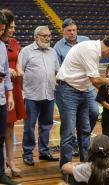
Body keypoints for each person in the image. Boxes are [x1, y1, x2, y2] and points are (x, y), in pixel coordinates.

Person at [55, 32, 109, 170]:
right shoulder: (91, 50)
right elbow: (96, 80)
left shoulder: (92, 48)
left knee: (85, 130)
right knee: (68, 131)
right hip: (68, 90)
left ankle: (86, 165)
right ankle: (65, 167)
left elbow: (93, 81)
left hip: (81, 91)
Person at [54, 18, 99, 157]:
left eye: (74, 30)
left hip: (87, 87)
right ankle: (74, 143)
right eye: (69, 30)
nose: (72, 33)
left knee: (94, 112)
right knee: (69, 123)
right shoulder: (58, 47)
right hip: (69, 89)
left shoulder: (86, 40)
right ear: (63, 31)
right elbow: (59, 69)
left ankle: (81, 140)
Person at [18, 26, 59, 166]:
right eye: (44, 36)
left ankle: (44, 151)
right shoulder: (26, 51)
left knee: (46, 125)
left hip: (49, 94)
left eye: (49, 35)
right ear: (36, 37)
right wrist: (23, 92)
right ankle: (28, 153)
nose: (48, 38)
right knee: (29, 126)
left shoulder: (53, 52)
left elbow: (56, 72)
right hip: (31, 95)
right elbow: (19, 72)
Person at [0, 9, 26, 177]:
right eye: (10, 27)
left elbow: (17, 61)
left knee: (10, 127)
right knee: (2, 129)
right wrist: (8, 69)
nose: (13, 30)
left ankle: (10, 160)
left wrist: (17, 67)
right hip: (3, 85)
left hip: (13, 88)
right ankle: (2, 164)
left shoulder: (15, 42)